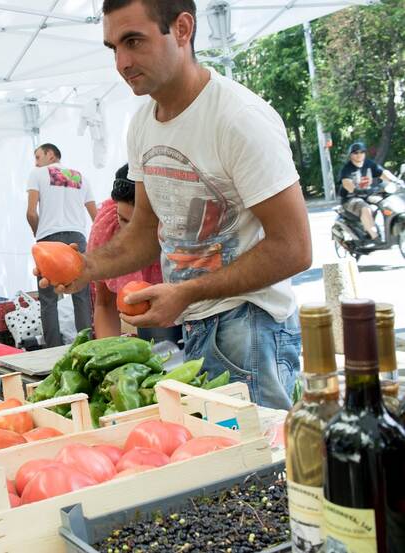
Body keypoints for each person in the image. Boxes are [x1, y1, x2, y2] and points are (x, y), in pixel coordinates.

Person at [39, 0, 313, 410]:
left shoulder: (238, 118)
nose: (122, 61)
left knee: (257, 465)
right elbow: (147, 231)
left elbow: (294, 247)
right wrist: (85, 267)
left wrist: (185, 292)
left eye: (133, 41)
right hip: (196, 323)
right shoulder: (143, 124)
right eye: (113, 47)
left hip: (251, 325)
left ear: (182, 29)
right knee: (219, 460)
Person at [26, 143, 97, 347]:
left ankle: (53, 349)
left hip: (48, 237)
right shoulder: (80, 177)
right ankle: (86, 346)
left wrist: (38, 237)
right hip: (77, 236)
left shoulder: (37, 174)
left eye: (38, 157)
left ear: (50, 154)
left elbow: (31, 212)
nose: (36, 162)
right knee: (81, 295)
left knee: (48, 299)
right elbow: (96, 216)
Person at [88, 165, 163, 338]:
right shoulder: (107, 227)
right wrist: (109, 354)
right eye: (123, 220)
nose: (130, 234)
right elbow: (105, 303)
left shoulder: (186, 235)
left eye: (140, 225)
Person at [337, 141, 403, 240]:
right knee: (366, 208)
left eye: (362, 152)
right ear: (350, 155)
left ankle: (392, 228)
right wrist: (355, 190)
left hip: (367, 195)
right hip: (350, 198)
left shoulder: (368, 164)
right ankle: (375, 237)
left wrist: (396, 180)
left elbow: (383, 173)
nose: (359, 155)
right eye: (356, 152)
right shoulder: (347, 168)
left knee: (386, 202)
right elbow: (347, 183)